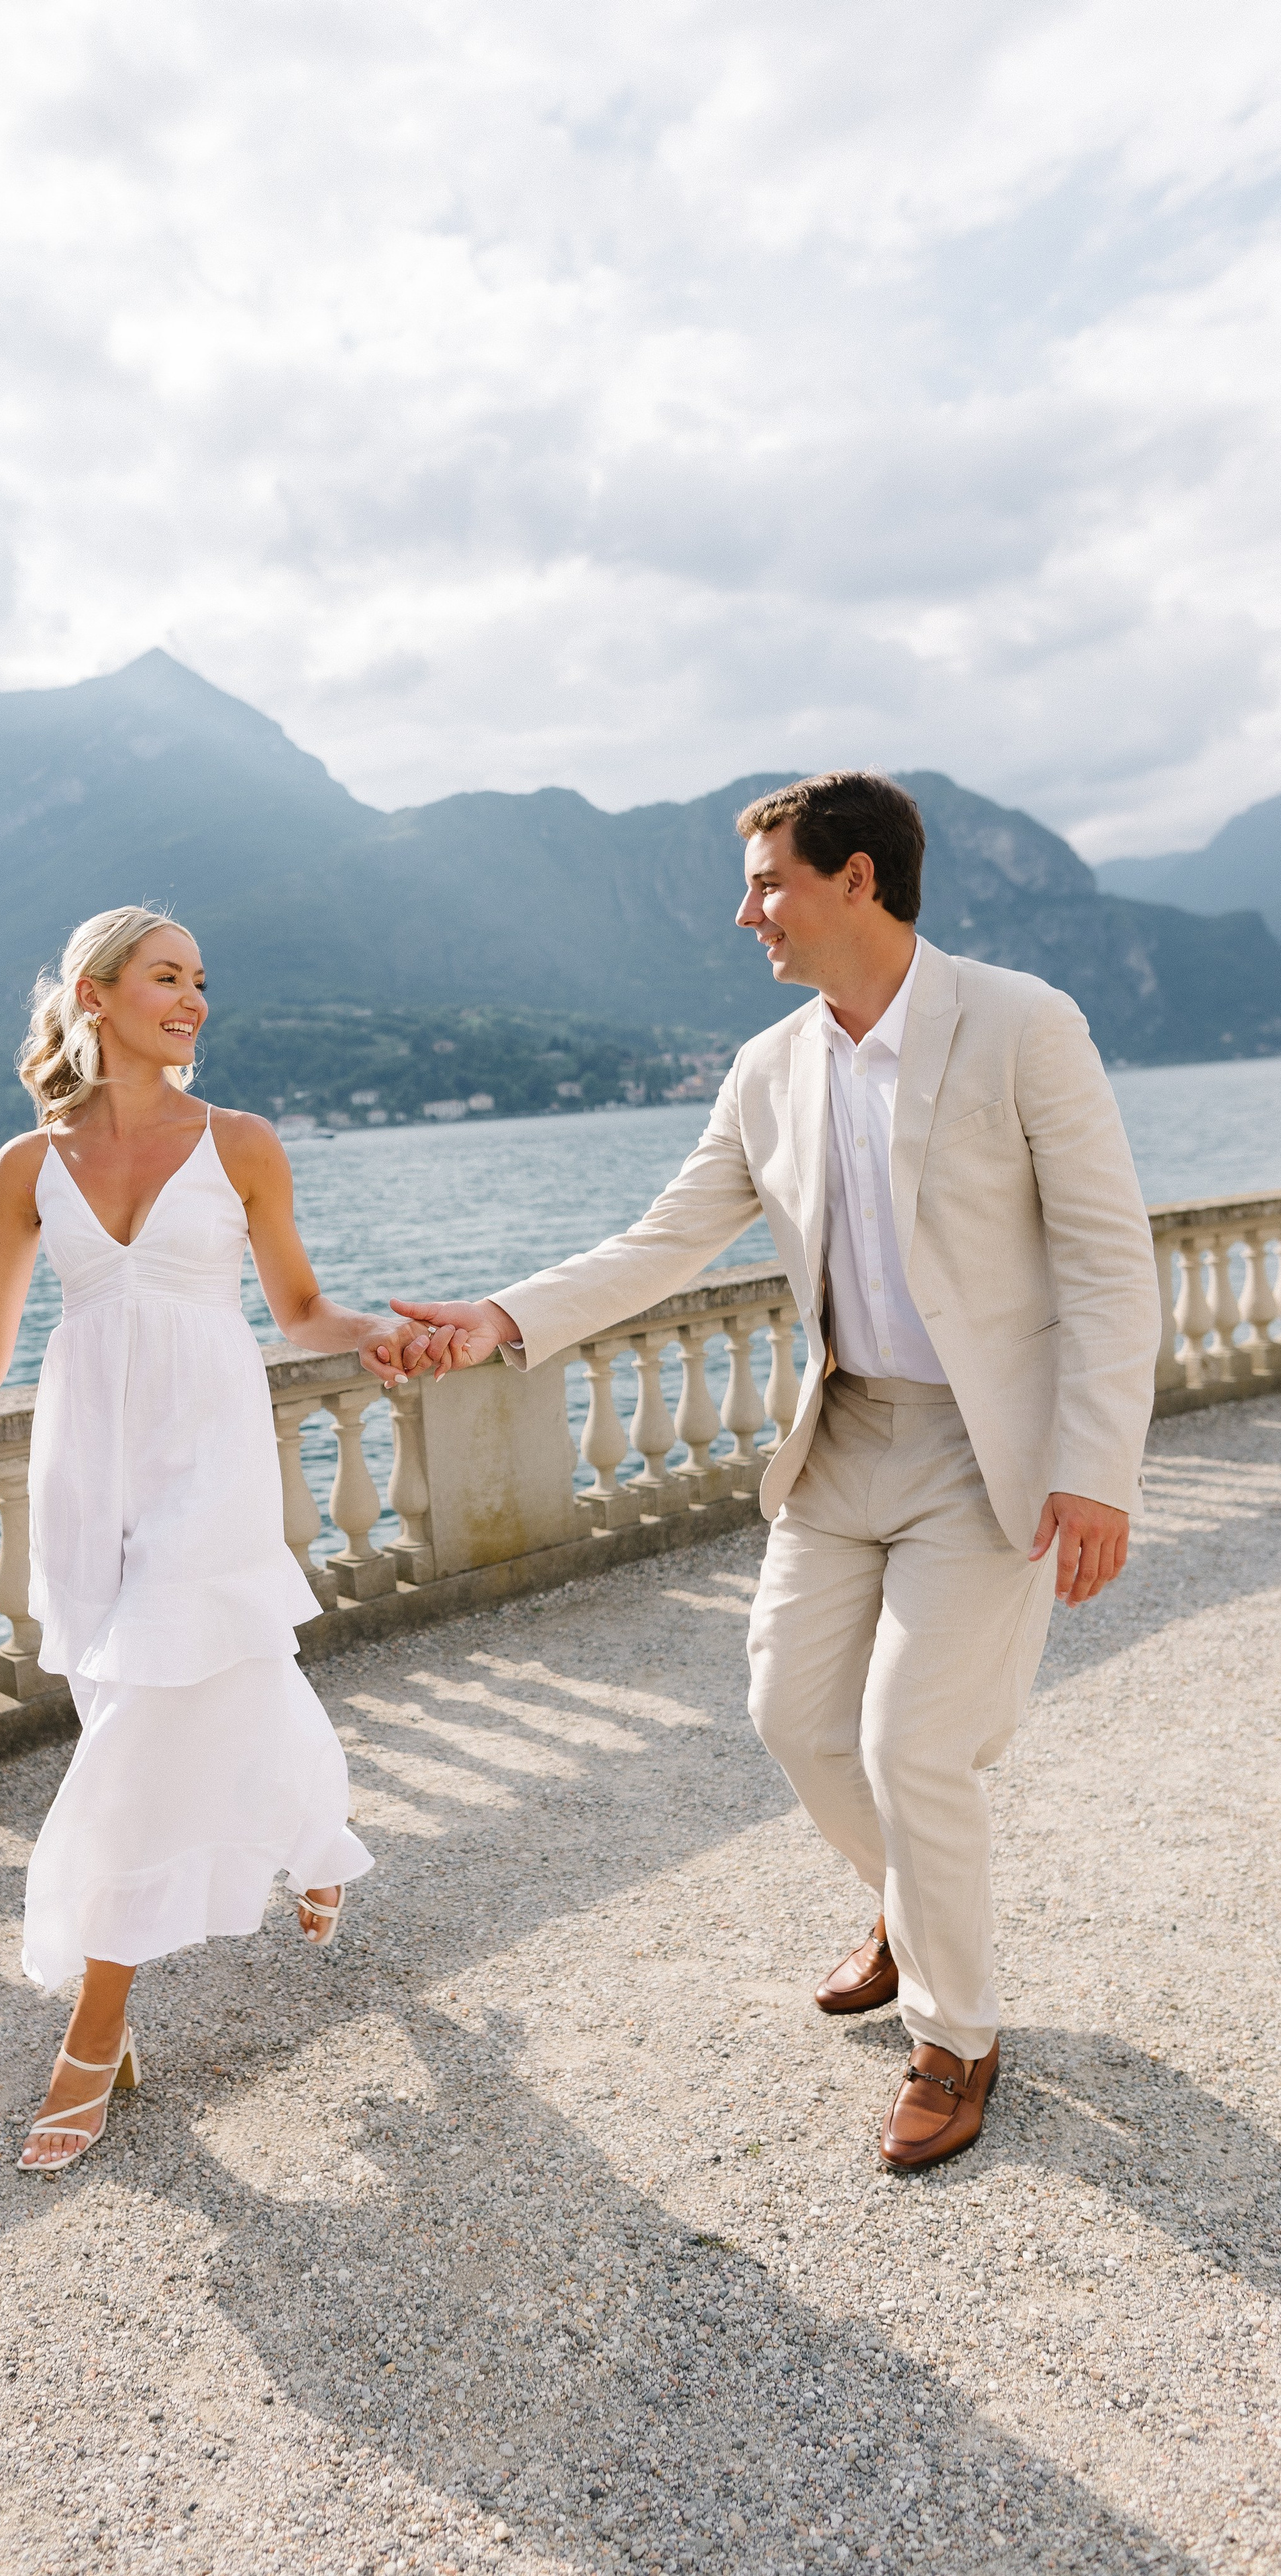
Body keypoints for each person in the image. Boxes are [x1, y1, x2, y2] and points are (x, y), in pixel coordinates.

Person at [391, 772, 1160, 2171]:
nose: (744, 913)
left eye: (765, 884)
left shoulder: (1020, 1023)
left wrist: (1095, 1468)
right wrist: (501, 1318)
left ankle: (954, 2038)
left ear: (854, 879)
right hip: (841, 1434)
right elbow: (661, 1241)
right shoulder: (766, 1070)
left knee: (909, 1743)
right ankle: (910, 1907)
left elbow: (1109, 1259)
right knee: (790, 1719)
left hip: (983, 1448)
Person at [0, 904, 441, 2172]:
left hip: (209, 1449)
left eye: (200, 982)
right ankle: (309, 1824)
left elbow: (296, 1309)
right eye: (166, 978)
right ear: (95, 993)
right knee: (152, 1694)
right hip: (90, 1465)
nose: (192, 1000)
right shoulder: (26, 1166)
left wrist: (376, 1337)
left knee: (148, 1724)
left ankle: (93, 2026)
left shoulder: (238, 1143)